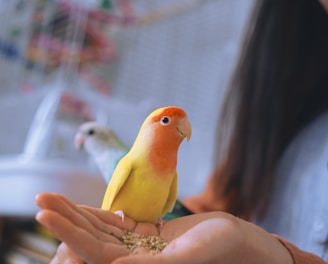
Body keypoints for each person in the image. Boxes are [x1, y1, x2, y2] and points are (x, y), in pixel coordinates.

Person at [35, 0, 328, 263]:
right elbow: (213, 206)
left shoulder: (167, 170)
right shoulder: (290, 108)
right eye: (165, 122)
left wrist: (272, 256)